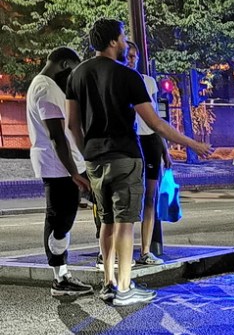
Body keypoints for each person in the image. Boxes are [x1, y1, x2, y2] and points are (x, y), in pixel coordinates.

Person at [66, 18, 212, 306]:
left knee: (106, 222)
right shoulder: (128, 76)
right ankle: (124, 285)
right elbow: (155, 123)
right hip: (125, 156)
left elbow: (72, 125)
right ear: (112, 42)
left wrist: (87, 153)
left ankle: (108, 283)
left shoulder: (77, 75)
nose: (124, 43)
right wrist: (193, 144)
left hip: (95, 160)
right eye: (122, 38)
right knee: (124, 223)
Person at [26, 47, 93, 297]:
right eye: (73, 71)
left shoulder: (45, 86)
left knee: (63, 217)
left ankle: (62, 275)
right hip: (58, 167)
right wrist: (73, 171)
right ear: (65, 64)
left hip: (63, 165)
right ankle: (60, 277)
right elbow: (56, 135)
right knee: (59, 220)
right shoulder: (45, 88)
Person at [127, 41, 171, 266]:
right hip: (129, 141)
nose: (131, 59)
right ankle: (122, 250)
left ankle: (145, 250)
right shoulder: (117, 80)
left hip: (150, 141)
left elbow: (156, 118)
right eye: (128, 55)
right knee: (128, 199)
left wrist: (164, 148)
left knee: (150, 198)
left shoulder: (148, 82)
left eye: (134, 56)